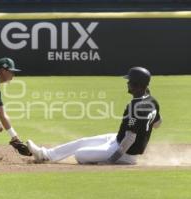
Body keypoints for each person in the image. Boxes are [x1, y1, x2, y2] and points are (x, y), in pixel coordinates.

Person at [27, 67, 162, 165]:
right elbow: (157, 124)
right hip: (118, 140)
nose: (127, 83)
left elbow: (130, 138)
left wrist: (112, 160)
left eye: (130, 81)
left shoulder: (135, 106)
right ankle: (45, 155)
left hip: (125, 152)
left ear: (137, 84)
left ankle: (121, 160)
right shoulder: (152, 100)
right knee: (83, 141)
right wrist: (143, 130)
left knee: (80, 154)